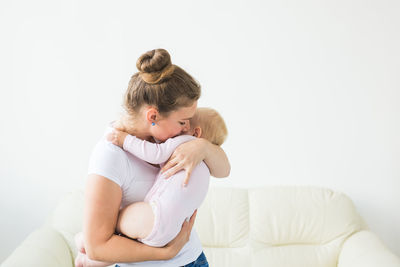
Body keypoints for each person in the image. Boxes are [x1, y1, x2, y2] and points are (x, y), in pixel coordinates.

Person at [77, 48, 230, 267]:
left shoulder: (168, 139)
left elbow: (224, 170)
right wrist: (165, 253)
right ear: (153, 116)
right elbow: (98, 246)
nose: (188, 128)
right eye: (182, 121)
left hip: (194, 259)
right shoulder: (110, 155)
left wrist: (203, 147)